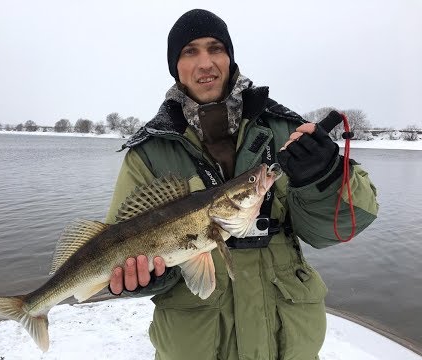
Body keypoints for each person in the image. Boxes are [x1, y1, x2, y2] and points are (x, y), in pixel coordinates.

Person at [105, 9, 378, 360]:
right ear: (176, 67)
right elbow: (114, 251)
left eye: (215, 48)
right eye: (190, 51)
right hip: (196, 346)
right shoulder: (147, 153)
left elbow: (333, 230)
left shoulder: (284, 130)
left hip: (288, 344)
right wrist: (146, 279)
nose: (205, 62)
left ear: (229, 57)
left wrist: (322, 175)